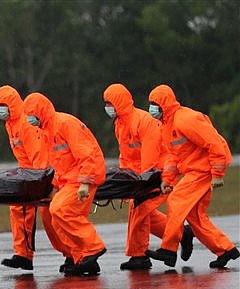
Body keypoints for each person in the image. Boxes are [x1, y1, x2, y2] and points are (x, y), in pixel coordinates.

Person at [145, 84, 239, 268]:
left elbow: (214, 144)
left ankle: (168, 250)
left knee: (176, 201)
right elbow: (173, 155)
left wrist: (217, 174)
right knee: (195, 216)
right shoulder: (166, 125)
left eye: (154, 103)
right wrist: (167, 179)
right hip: (195, 169)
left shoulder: (185, 119)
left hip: (204, 169)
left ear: (164, 104)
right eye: (150, 103)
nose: (151, 107)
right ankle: (226, 250)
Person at [102, 83, 194, 270]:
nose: (107, 107)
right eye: (105, 103)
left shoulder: (143, 121)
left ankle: (139, 256)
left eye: (109, 103)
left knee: (140, 209)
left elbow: (151, 156)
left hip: (157, 172)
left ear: (118, 102)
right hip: (138, 176)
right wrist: (124, 180)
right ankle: (182, 234)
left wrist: (141, 182)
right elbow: (125, 155)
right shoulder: (120, 124)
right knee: (145, 214)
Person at [23, 92, 107, 276]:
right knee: (56, 217)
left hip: (82, 177)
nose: (29, 118)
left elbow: (86, 153)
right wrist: (54, 185)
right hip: (69, 180)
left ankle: (94, 248)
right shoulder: (46, 130)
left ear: (40, 112)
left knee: (60, 209)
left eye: (31, 113)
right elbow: (58, 163)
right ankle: (81, 259)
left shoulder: (65, 124)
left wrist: (85, 182)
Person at [0, 85, 73, 272]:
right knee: (19, 209)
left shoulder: (26, 124)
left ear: (12, 104)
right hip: (29, 175)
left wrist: (42, 184)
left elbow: (40, 156)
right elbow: (23, 157)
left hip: (43, 175)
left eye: (3, 104)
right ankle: (23, 255)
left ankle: (73, 254)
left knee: (51, 216)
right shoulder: (10, 124)